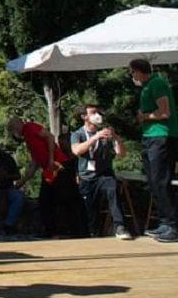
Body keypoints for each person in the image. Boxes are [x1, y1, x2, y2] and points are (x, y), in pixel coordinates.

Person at [8, 117, 87, 237]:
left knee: (69, 199)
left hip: (59, 165)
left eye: (13, 129)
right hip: (49, 171)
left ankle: (79, 231)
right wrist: (21, 182)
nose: (15, 132)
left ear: (18, 126)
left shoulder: (30, 127)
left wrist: (50, 159)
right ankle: (52, 231)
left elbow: (50, 137)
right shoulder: (28, 140)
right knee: (45, 200)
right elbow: (34, 163)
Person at [129, 59, 178, 243]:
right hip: (150, 137)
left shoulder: (157, 83)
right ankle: (165, 221)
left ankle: (173, 225)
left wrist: (144, 116)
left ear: (139, 71)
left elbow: (165, 112)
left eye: (132, 72)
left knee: (161, 180)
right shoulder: (148, 86)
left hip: (161, 136)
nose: (132, 76)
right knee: (153, 181)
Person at [69, 104, 131, 240]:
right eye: (93, 113)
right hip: (87, 177)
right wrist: (95, 138)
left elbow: (121, 154)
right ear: (84, 117)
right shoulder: (77, 134)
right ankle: (94, 235)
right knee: (90, 210)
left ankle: (120, 226)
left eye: (98, 112)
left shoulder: (106, 133)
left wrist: (116, 138)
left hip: (104, 173)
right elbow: (77, 151)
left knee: (113, 190)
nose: (98, 115)